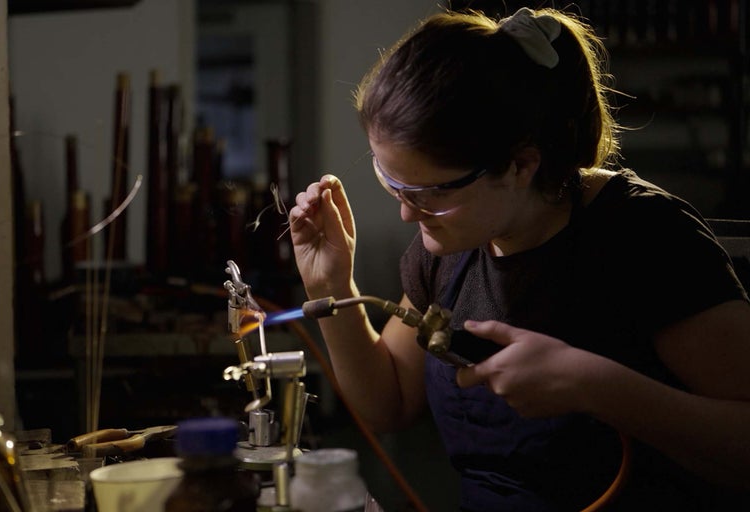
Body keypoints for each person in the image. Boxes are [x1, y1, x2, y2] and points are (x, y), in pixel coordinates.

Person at [288, 7, 750, 511]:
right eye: (393, 183)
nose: (406, 214)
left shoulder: (645, 237)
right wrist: (332, 285)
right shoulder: (449, 246)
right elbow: (389, 402)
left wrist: (595, 386)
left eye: (427, 192)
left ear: (520, 165)